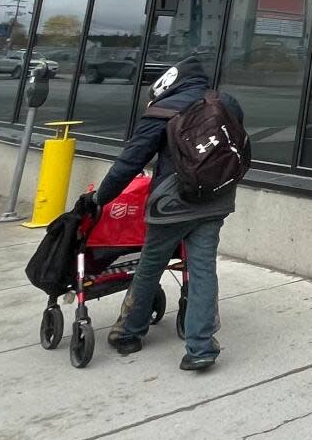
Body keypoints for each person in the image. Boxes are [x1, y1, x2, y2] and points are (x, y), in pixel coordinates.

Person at [83, 55, 242, 371]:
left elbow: (129, 163)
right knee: (202, 268)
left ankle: (128, 331)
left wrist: (100, 198)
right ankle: (200, 347)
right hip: (216, 198)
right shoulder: (227, 103)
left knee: (151, 264)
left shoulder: (162, 111)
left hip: (172, 204)